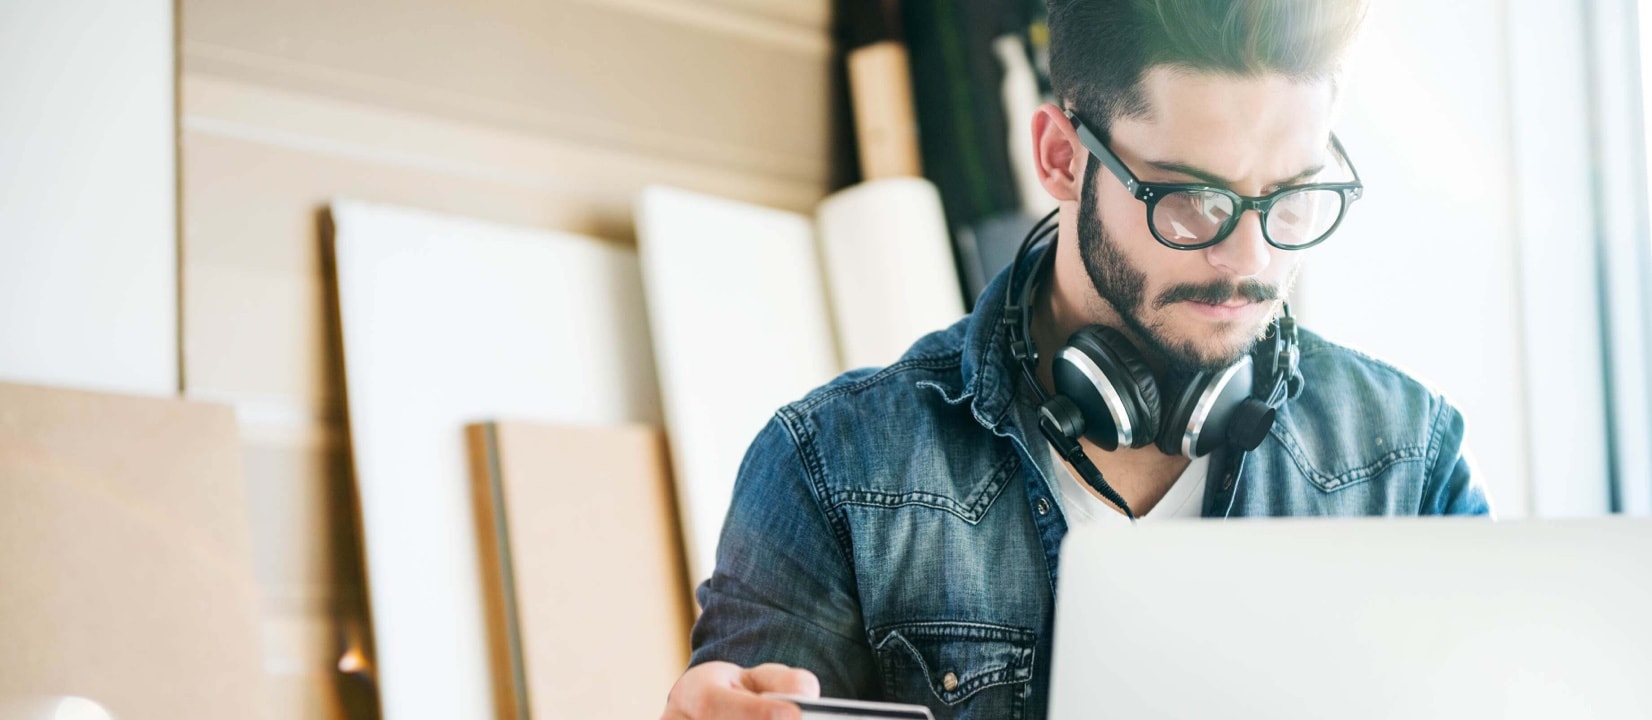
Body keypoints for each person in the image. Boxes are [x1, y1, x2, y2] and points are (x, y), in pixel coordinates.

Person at [661, 1, 1491, 718]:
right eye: (1194, 201)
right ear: (1062, 157)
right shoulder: (835, 471)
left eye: (1293, 197)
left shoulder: (1410, 464)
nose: (1251, 260)